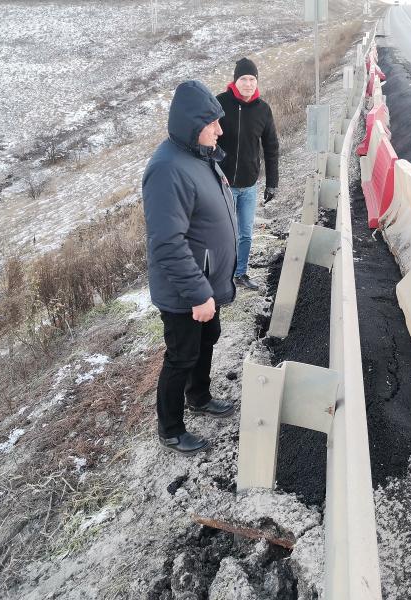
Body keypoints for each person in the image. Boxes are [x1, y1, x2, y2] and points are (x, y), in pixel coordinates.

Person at [142, 80, 237, 455]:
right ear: (190, 124)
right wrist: (198, 293)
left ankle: (198, 397)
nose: (220, 129)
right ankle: (170, 428)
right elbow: (167, 243)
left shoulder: (198, 156)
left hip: (205, 284)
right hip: (185, 290)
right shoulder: (167, 170)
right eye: (212, 122)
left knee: (207, 341)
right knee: (181, 356)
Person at [216, 57, 279, 291]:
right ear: (235, 80)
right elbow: (208, 141)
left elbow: (271, 147)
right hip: (223, 185)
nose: (248, 84)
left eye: (252, 79)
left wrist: (272, 183)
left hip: (249, 185)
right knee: (224, 234)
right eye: (244, 78)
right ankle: (222, 276)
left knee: (245, 234)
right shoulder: (219, 104)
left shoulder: (263, 109)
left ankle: (240, 274)